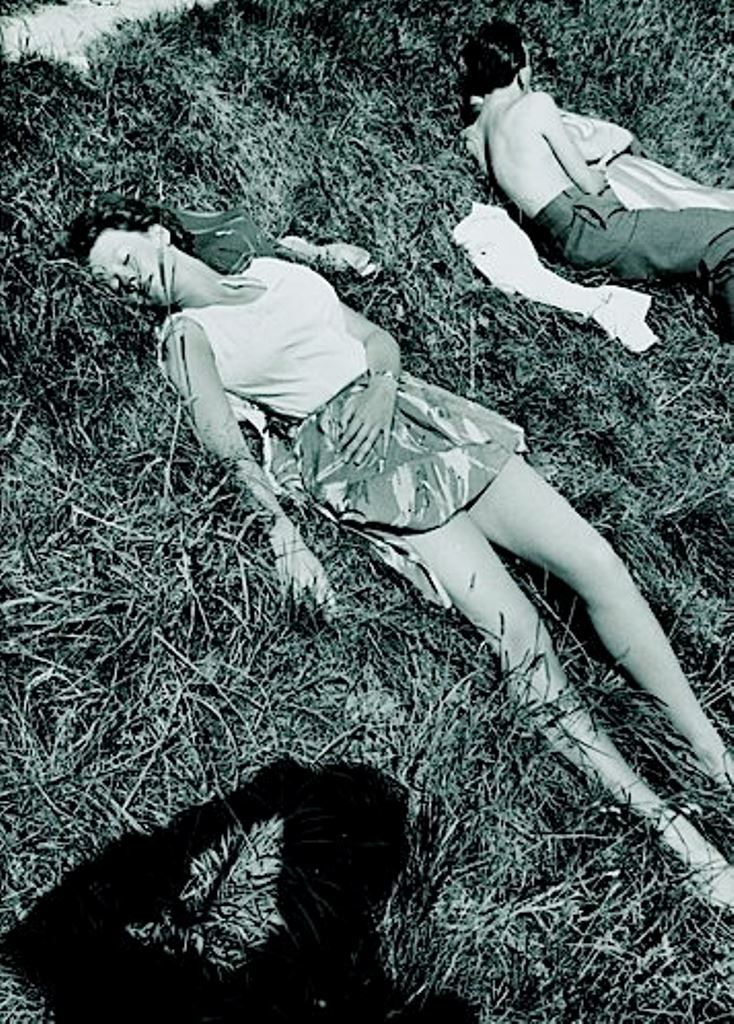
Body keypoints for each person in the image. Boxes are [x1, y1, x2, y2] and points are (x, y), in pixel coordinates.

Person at [66, 192, 734, 908]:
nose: (127, 280)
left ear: (158, 232)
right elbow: (226, 450)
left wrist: (382, 383)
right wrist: (283, 534)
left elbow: (375, 338)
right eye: (112, 281)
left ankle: (710, 750)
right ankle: (670, 830)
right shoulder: (185, 335)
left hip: (418, 411)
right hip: (361, 461)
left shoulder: (271, 271)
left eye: (125, 258)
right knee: (520, 635)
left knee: (597, 562)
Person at [459, 19, 734, 341]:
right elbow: (589, 184)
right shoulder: (535, 104)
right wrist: (608, 167)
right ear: (520, 70)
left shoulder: (472, 135)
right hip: (595, 230)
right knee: (726, 232)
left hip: (557, 242)